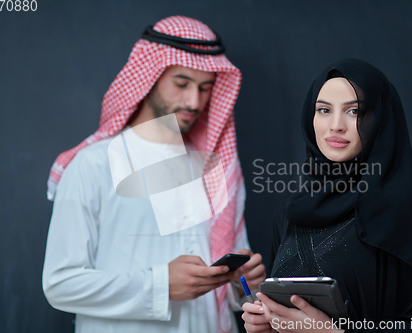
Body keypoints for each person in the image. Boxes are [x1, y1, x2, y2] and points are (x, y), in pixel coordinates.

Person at [42, 16, 265, 333]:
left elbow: (234, 292)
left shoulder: (218, 170)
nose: (194, 101)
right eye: (182, 83)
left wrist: (245, 281)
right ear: (149, 77)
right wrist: (160, 286)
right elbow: (60, 284)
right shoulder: (93, 166)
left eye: (205, 88)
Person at [242, 59, 412, 332]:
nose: (336, 125)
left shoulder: (395, 217)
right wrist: (263, 324)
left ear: (379, 120)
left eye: (354, 111)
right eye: (323, 110)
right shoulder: (290, 214)